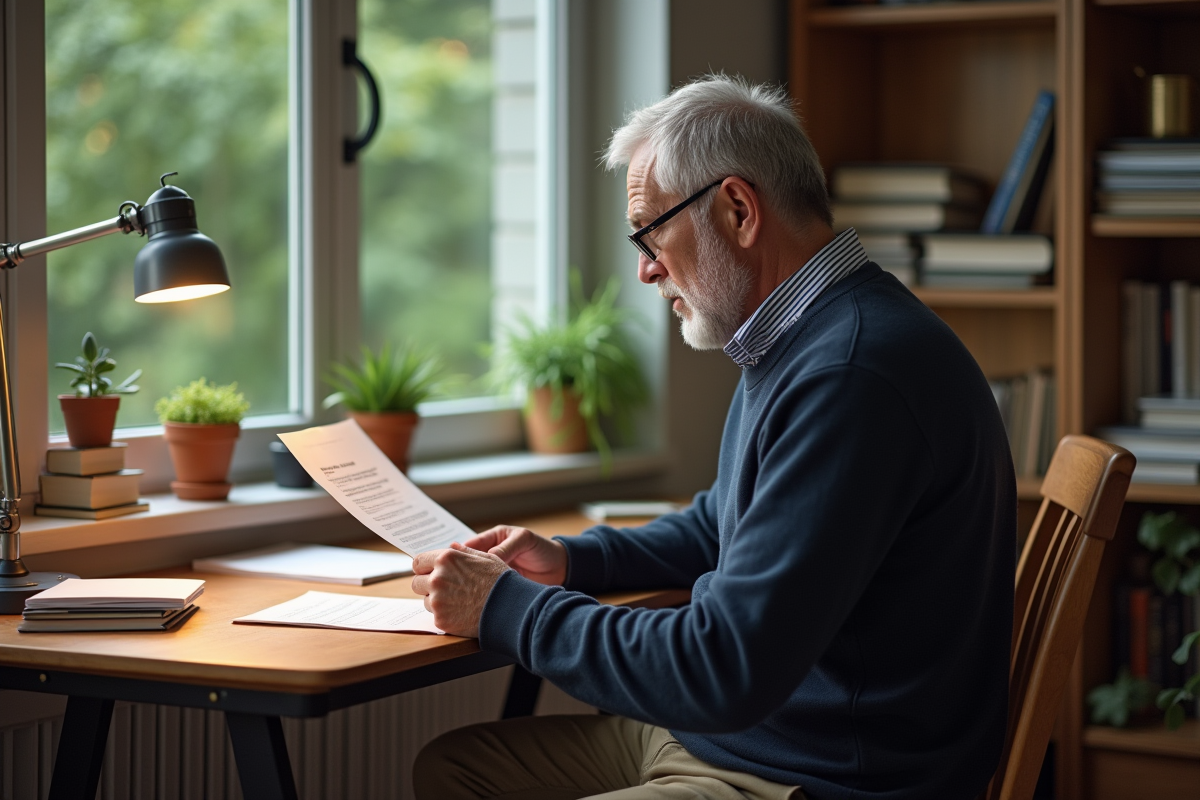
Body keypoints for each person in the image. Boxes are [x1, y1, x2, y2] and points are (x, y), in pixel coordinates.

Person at [411, 75, 1015, 800]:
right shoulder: (809, 336)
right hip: (759, 744)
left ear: (736, 209)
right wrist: (571, 559)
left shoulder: (852, 376)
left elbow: (721, 669)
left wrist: (505, 607)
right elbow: (726, 520)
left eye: (650, 231)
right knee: (453, 771)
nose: (645, 268)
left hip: (820, 777)